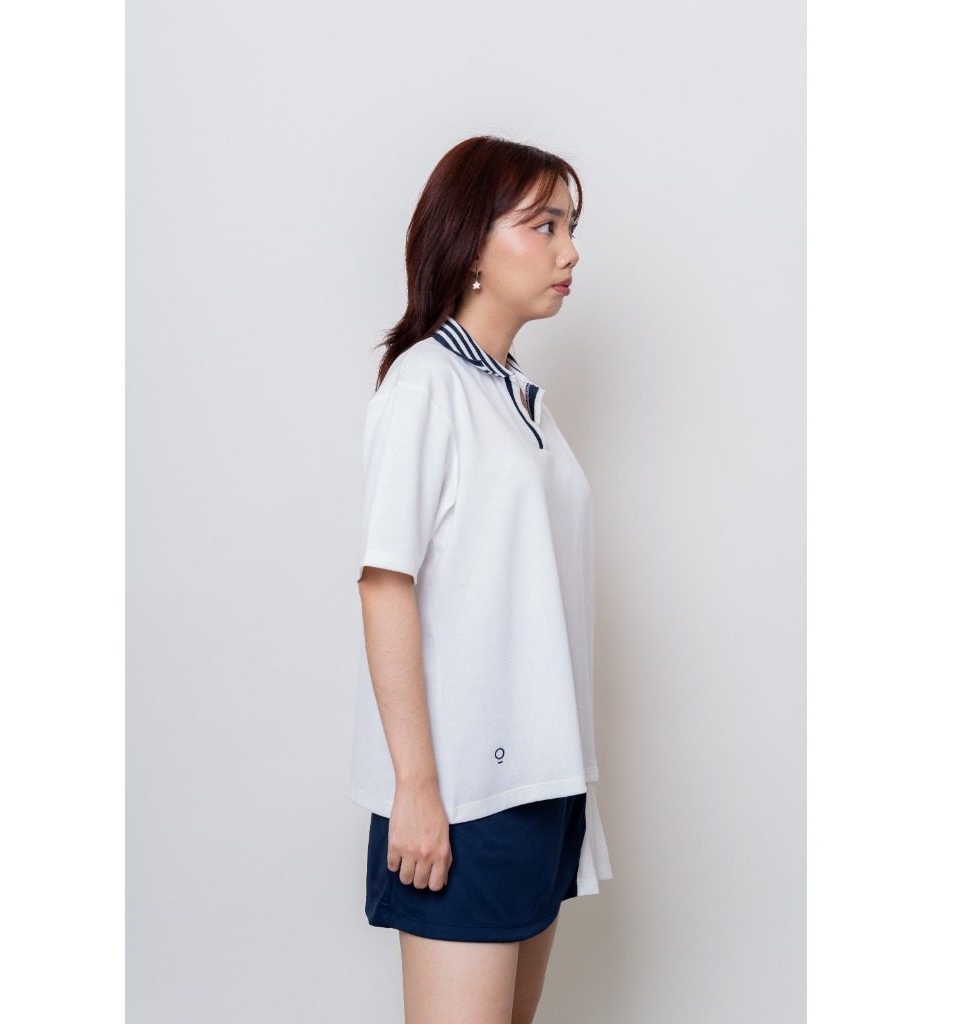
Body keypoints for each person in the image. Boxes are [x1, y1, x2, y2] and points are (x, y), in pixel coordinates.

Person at [352, 135, 612, 1024]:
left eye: (571, 227)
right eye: (544, 226)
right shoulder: (426, 384)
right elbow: (384, 582)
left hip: (542, 783)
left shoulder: (516, 394)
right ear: (469, 241)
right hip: (465, 793)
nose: (569, 251)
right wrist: (417, 788)